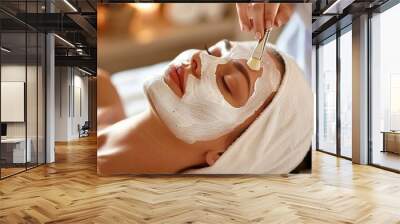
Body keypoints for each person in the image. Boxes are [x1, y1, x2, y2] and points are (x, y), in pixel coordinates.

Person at [97, 40, 287, 175]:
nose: (201, 59)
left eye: (228, 83)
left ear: (224, 155)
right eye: (212, 52)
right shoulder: (103, 100)